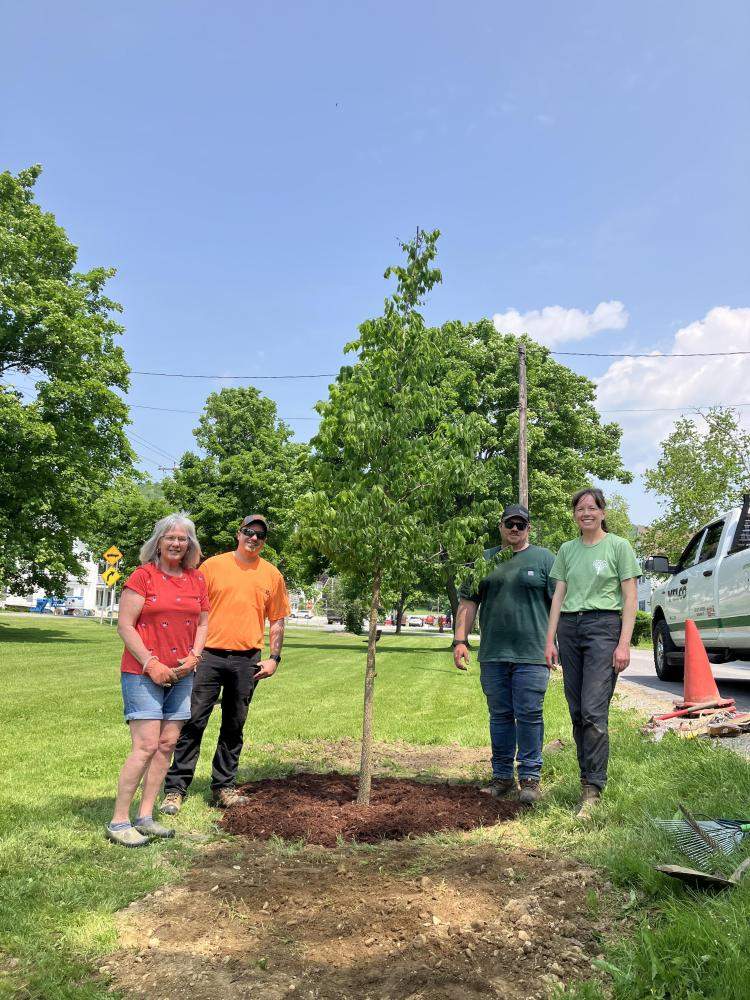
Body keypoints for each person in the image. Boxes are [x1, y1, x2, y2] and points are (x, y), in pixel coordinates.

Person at [161, 514, 291, 812]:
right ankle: (176, 789)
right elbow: (192, 610)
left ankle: (224, 787)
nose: (254, 538)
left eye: (260, 535)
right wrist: (190, 651)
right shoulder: (212, 567)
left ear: (264, 540)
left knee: (234, 724)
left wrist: (274, 658)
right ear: (238, 533)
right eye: (249, 532)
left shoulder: (271, 575)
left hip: (247, 660)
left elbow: (278, 619)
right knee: (193, 721)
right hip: (208, 656)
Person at [107, 513, 209, 847]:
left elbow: (204, 622)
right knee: (146, 745)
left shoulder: (196, 580)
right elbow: (125, 625)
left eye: (183, 539)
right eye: (171, 538)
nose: (177, 543)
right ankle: (119, 820)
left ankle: (145, 816)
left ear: (190, 544)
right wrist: (151, 664)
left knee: (167, 744)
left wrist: (194, 655)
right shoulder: (143, 576)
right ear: (158, 542)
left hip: (182, 674)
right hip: (142, 673)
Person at [545, 487, 640, 818]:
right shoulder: (567, 550)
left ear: (602, 512)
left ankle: (593, 790)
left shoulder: (618, 546)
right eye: (579, 508)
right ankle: (586, 779)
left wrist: (624, 643)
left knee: (593, 711)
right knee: (576, 711)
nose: (585, 513)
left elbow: (630, 597)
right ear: (574, 514)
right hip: (570, 629)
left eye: (591, 507)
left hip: (604, 628)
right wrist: (549, 640)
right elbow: (558, 596)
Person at [454, 504, 556, 804]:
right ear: (500, 526)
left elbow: (559, 604)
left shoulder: (545, 559)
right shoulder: (484, 560)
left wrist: (556, 644)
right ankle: (501, 777)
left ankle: (530, 780)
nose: (515, 529)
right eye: (509, 523)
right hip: (494, 654)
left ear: (529, 528)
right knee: (499, 716)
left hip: (533, 654)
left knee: (529, 715)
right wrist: (460, 641)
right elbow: (468, 603)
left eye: (520, 524)